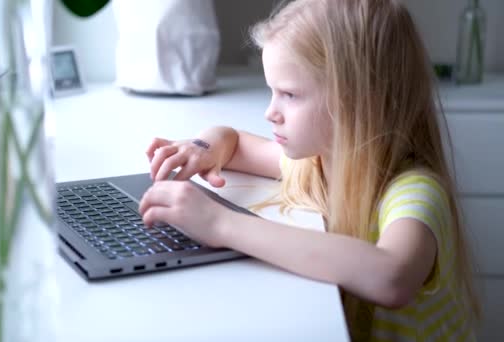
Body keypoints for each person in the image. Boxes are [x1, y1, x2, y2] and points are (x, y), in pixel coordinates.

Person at [138, 0, 480, 340]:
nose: (270, 112)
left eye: (289, 94)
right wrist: (203, 146)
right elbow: (235, 143)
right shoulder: (317, 161)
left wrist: (219, 224)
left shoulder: (415, 190)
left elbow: (392, 277)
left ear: (358, 100)